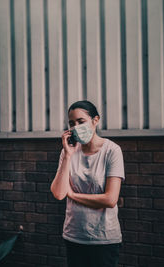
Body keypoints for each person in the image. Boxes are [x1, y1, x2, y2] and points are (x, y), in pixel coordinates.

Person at [50, 100, 125, 267]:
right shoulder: (68, 152)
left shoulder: (112, 151)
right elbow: (58, 193)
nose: (75, 127)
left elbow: (110, 199)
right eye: (71, 123)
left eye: (81, 122)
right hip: (74, 236)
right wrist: (68, 155)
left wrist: (73, 194)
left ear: (95, 120)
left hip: (104, 239)